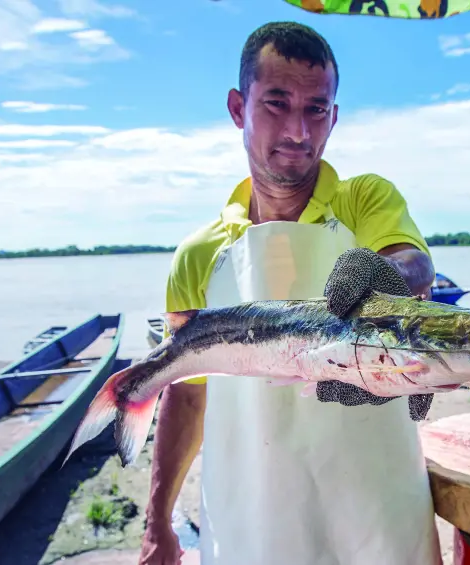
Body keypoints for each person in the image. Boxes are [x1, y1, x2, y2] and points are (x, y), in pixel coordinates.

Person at [138, 21, 443, 565]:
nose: (299, 131)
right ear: (238, 108)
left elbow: (412, 263)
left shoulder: (362, 200)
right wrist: (158, 520)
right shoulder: (198, 255)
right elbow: (186, 393)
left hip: (376, 495)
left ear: (334, 116)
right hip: (252, 502)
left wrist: (385, 277)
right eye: (276, 103)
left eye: (316, 109)